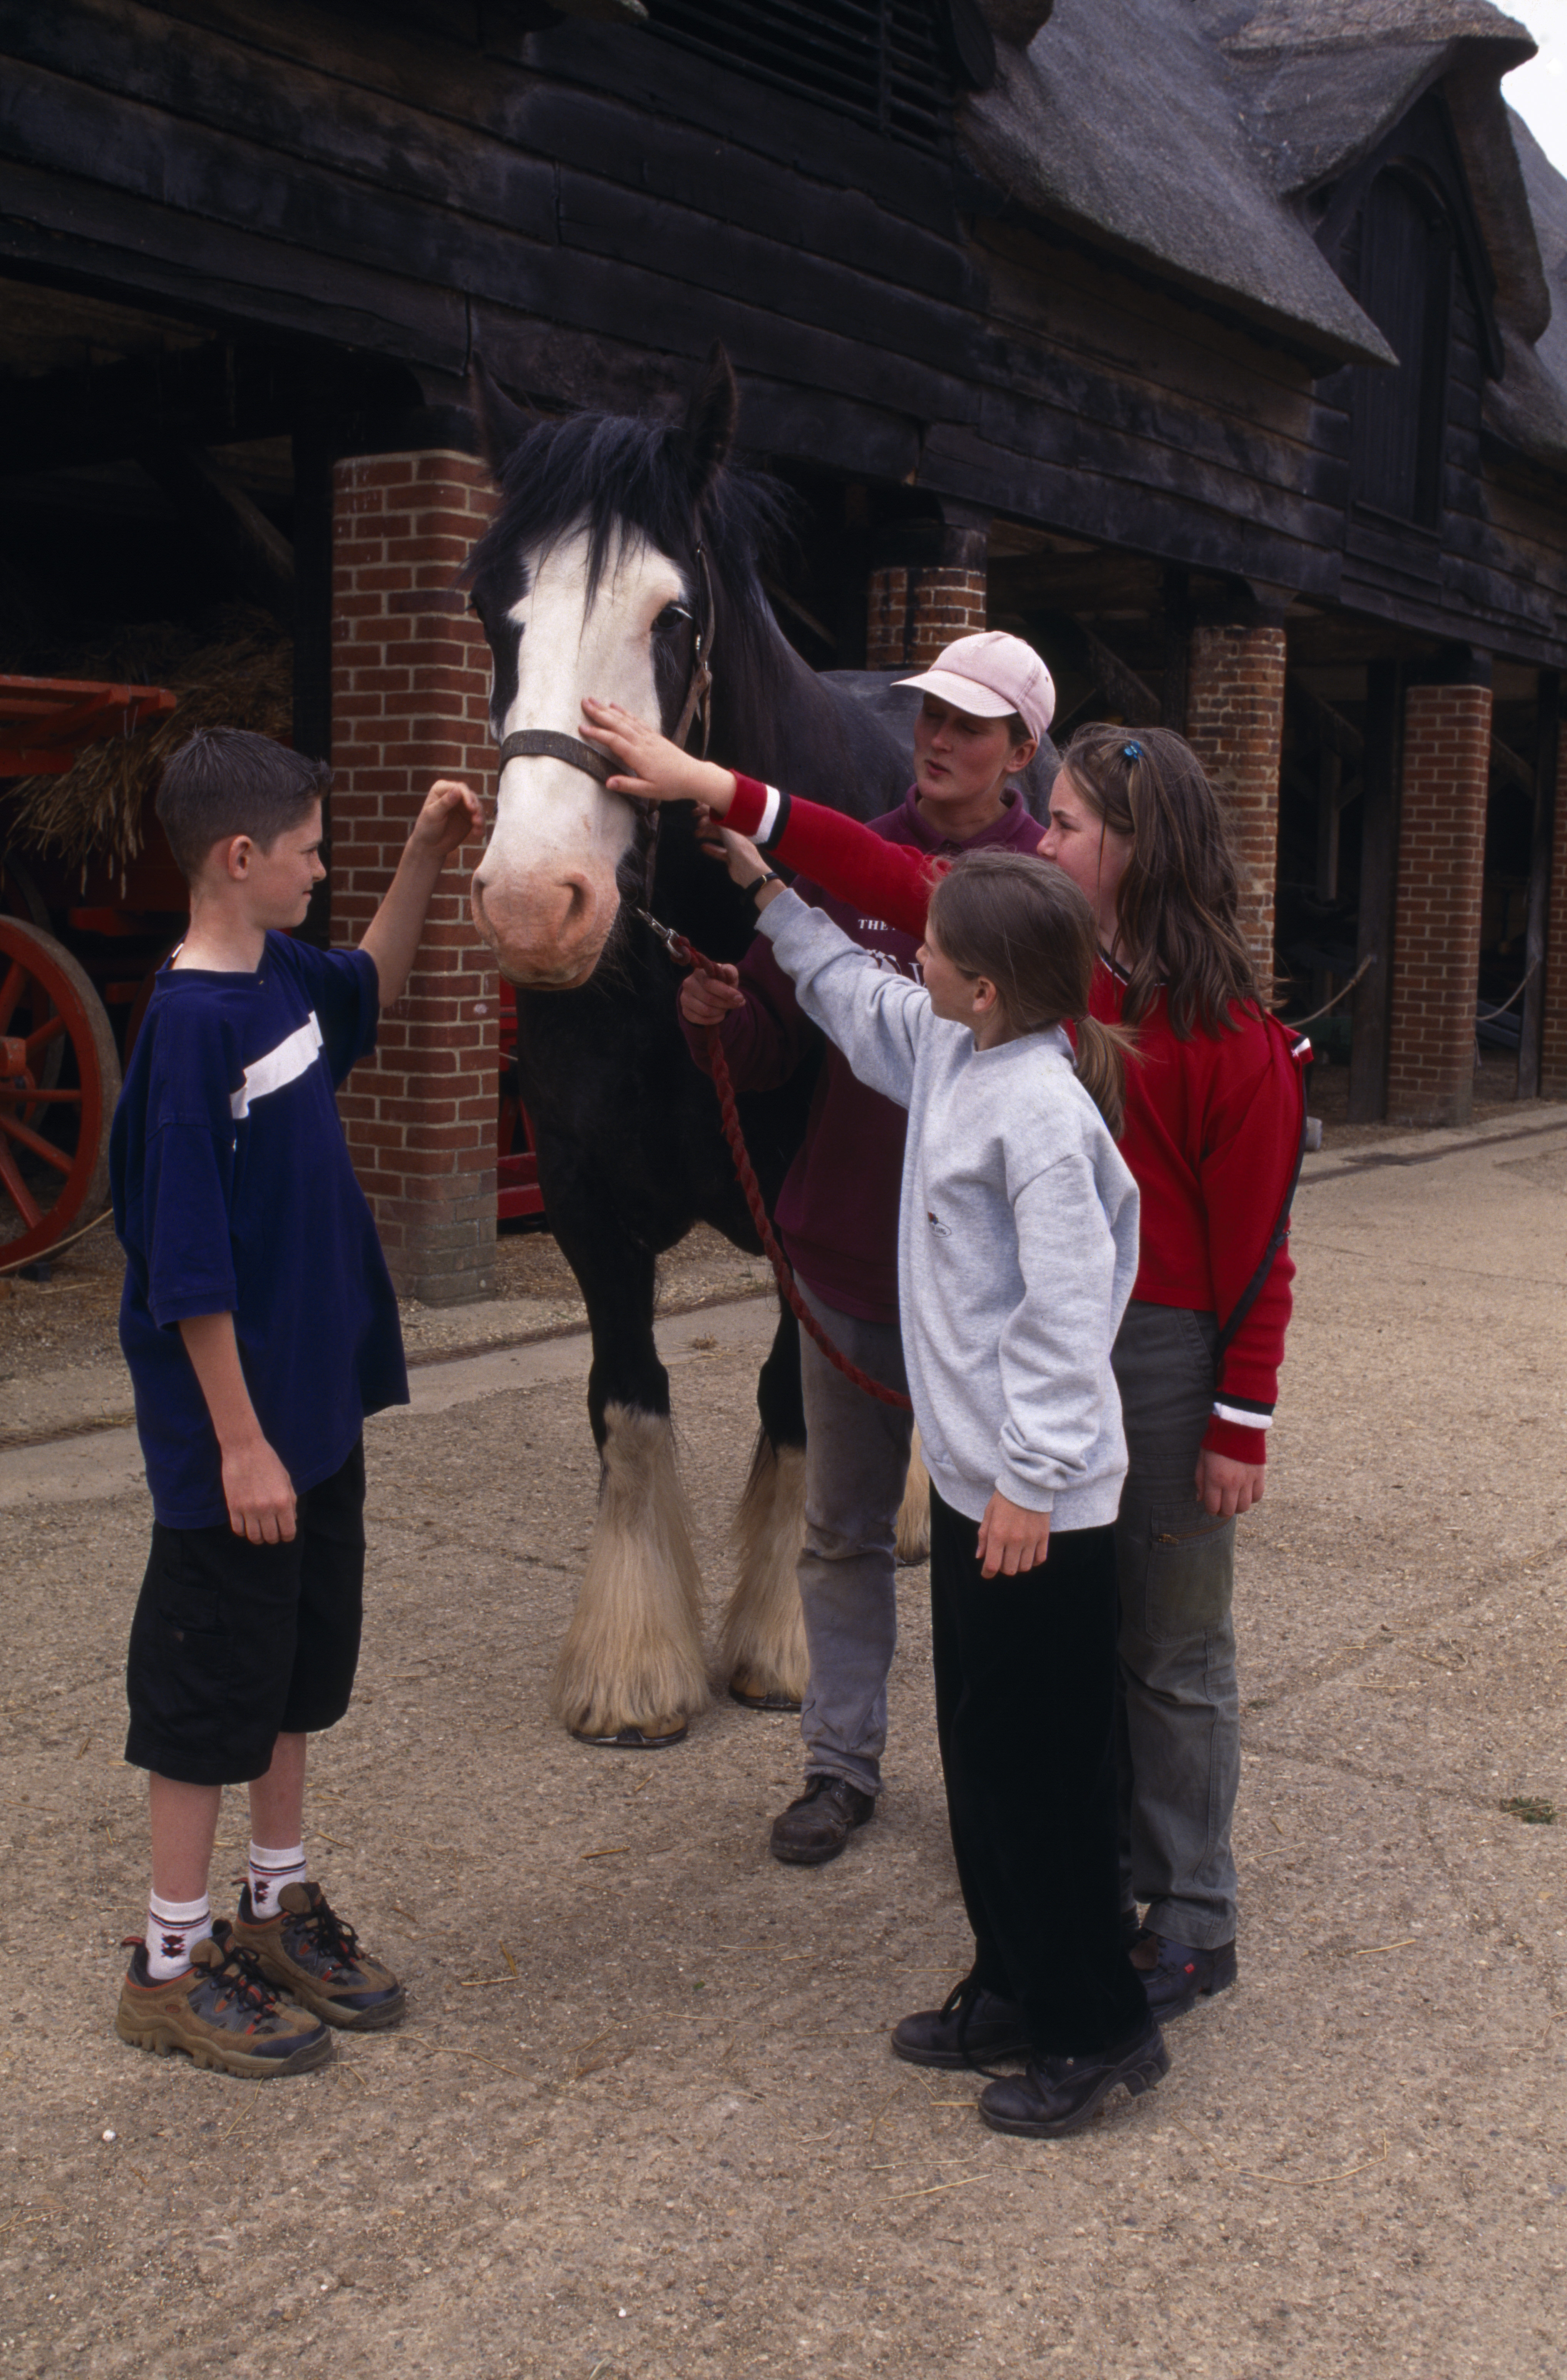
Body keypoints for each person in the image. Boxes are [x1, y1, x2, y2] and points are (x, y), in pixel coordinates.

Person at [583, 710, 1307, 2024]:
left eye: (1071, 822)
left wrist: (1237, 1418)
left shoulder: (1226, 1034)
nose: (1047, 831)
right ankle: (1083, 1911)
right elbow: (876, 921)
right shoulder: (1036, 984)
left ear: (1132, 853)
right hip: (1057, 1364)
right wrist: (751, 849)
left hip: (1157, 1356)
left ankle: (1191, 1910)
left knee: (1175, 1646)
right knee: (1074, 1662)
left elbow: (1262, 1246)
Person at [707, 830, 1162, 2138]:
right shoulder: (959, 1049)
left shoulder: (1043, 1114)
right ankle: (1013, 1985)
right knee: (982, 1754)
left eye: (938, 943)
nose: (915, 948)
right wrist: (769, 893)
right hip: (978, 1498)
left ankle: (1099, 2029)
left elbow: (1074, 1318)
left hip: (1038, 1512)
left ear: (988, 986)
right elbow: (853, 997)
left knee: (1047, 1776)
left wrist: (1029, 1481)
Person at [110, 727, 480, 2078]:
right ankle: (166, 1961)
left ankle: (274, 1904)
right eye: (316, 851)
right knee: (207, 1695)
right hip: (241, 1450)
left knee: (292, 1678)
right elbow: (187, 1271)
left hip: (312, 1425)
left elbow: (371, 981)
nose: (329, 871)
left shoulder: (280, 977)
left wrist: (430, 860)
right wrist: (242, 1443)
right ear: (241, 856)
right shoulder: (191, 1031)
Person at [649, 631, 1053, 1867]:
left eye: (971, 727)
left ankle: (1004, 1778)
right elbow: (782, 1042)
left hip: (984, 1280)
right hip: (851, 1255)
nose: (938, 739)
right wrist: (724, 1016)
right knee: (843, 1530)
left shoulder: (1045, 890)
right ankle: (841, 1764)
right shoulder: (840, 861)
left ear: (1021, 753)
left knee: (1004, 1548)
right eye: (931, 715)